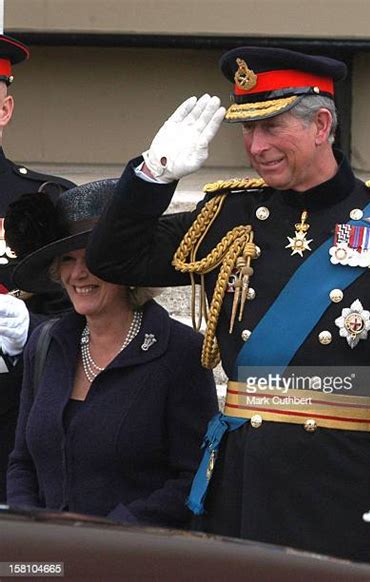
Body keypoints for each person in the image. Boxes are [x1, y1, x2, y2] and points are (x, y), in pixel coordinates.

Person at [86, 47, 370, 564]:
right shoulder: (230, 215)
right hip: (241, 480)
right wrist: (153, 175)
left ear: (321, 123)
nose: (256, 146)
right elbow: (113, 259)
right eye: (247, 130)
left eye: (271, 127)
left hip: (342, 487)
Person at [7, 179, 218, 526]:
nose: (78, 273)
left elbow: (193, 476)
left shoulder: (180, 353)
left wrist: (108, 534)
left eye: (93, 257)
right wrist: (30, 526)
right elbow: (22, 462)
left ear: (127, 265)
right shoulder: (45, 344)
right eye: (66, 260)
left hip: (130, 561)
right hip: (47, 561)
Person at [0, 34, 75, 502]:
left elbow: (94, 322)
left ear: (4, 110)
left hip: (12, 441)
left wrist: (33, 330)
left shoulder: (47, 202)